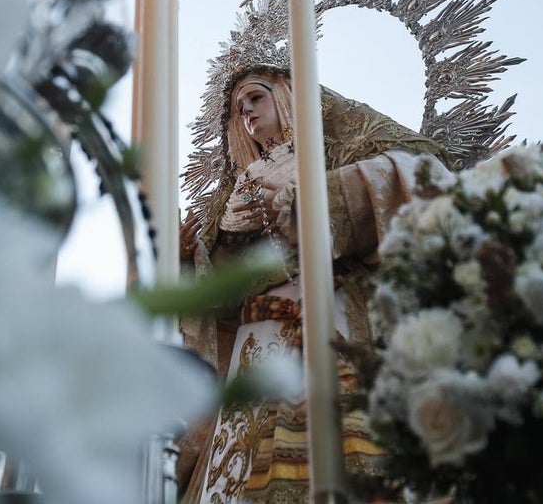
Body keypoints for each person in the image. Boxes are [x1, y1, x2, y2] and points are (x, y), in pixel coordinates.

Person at [176, 65, 446, 504]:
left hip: (334, 311)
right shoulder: (234, 195)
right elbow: (220, 300)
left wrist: (319, 199)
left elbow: (423, 171)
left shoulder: (337, 150)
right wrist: (190, 261)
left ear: (286, 95)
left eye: (256, 98)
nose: (247, 113)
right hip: (256, 342)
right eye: (239, 109)